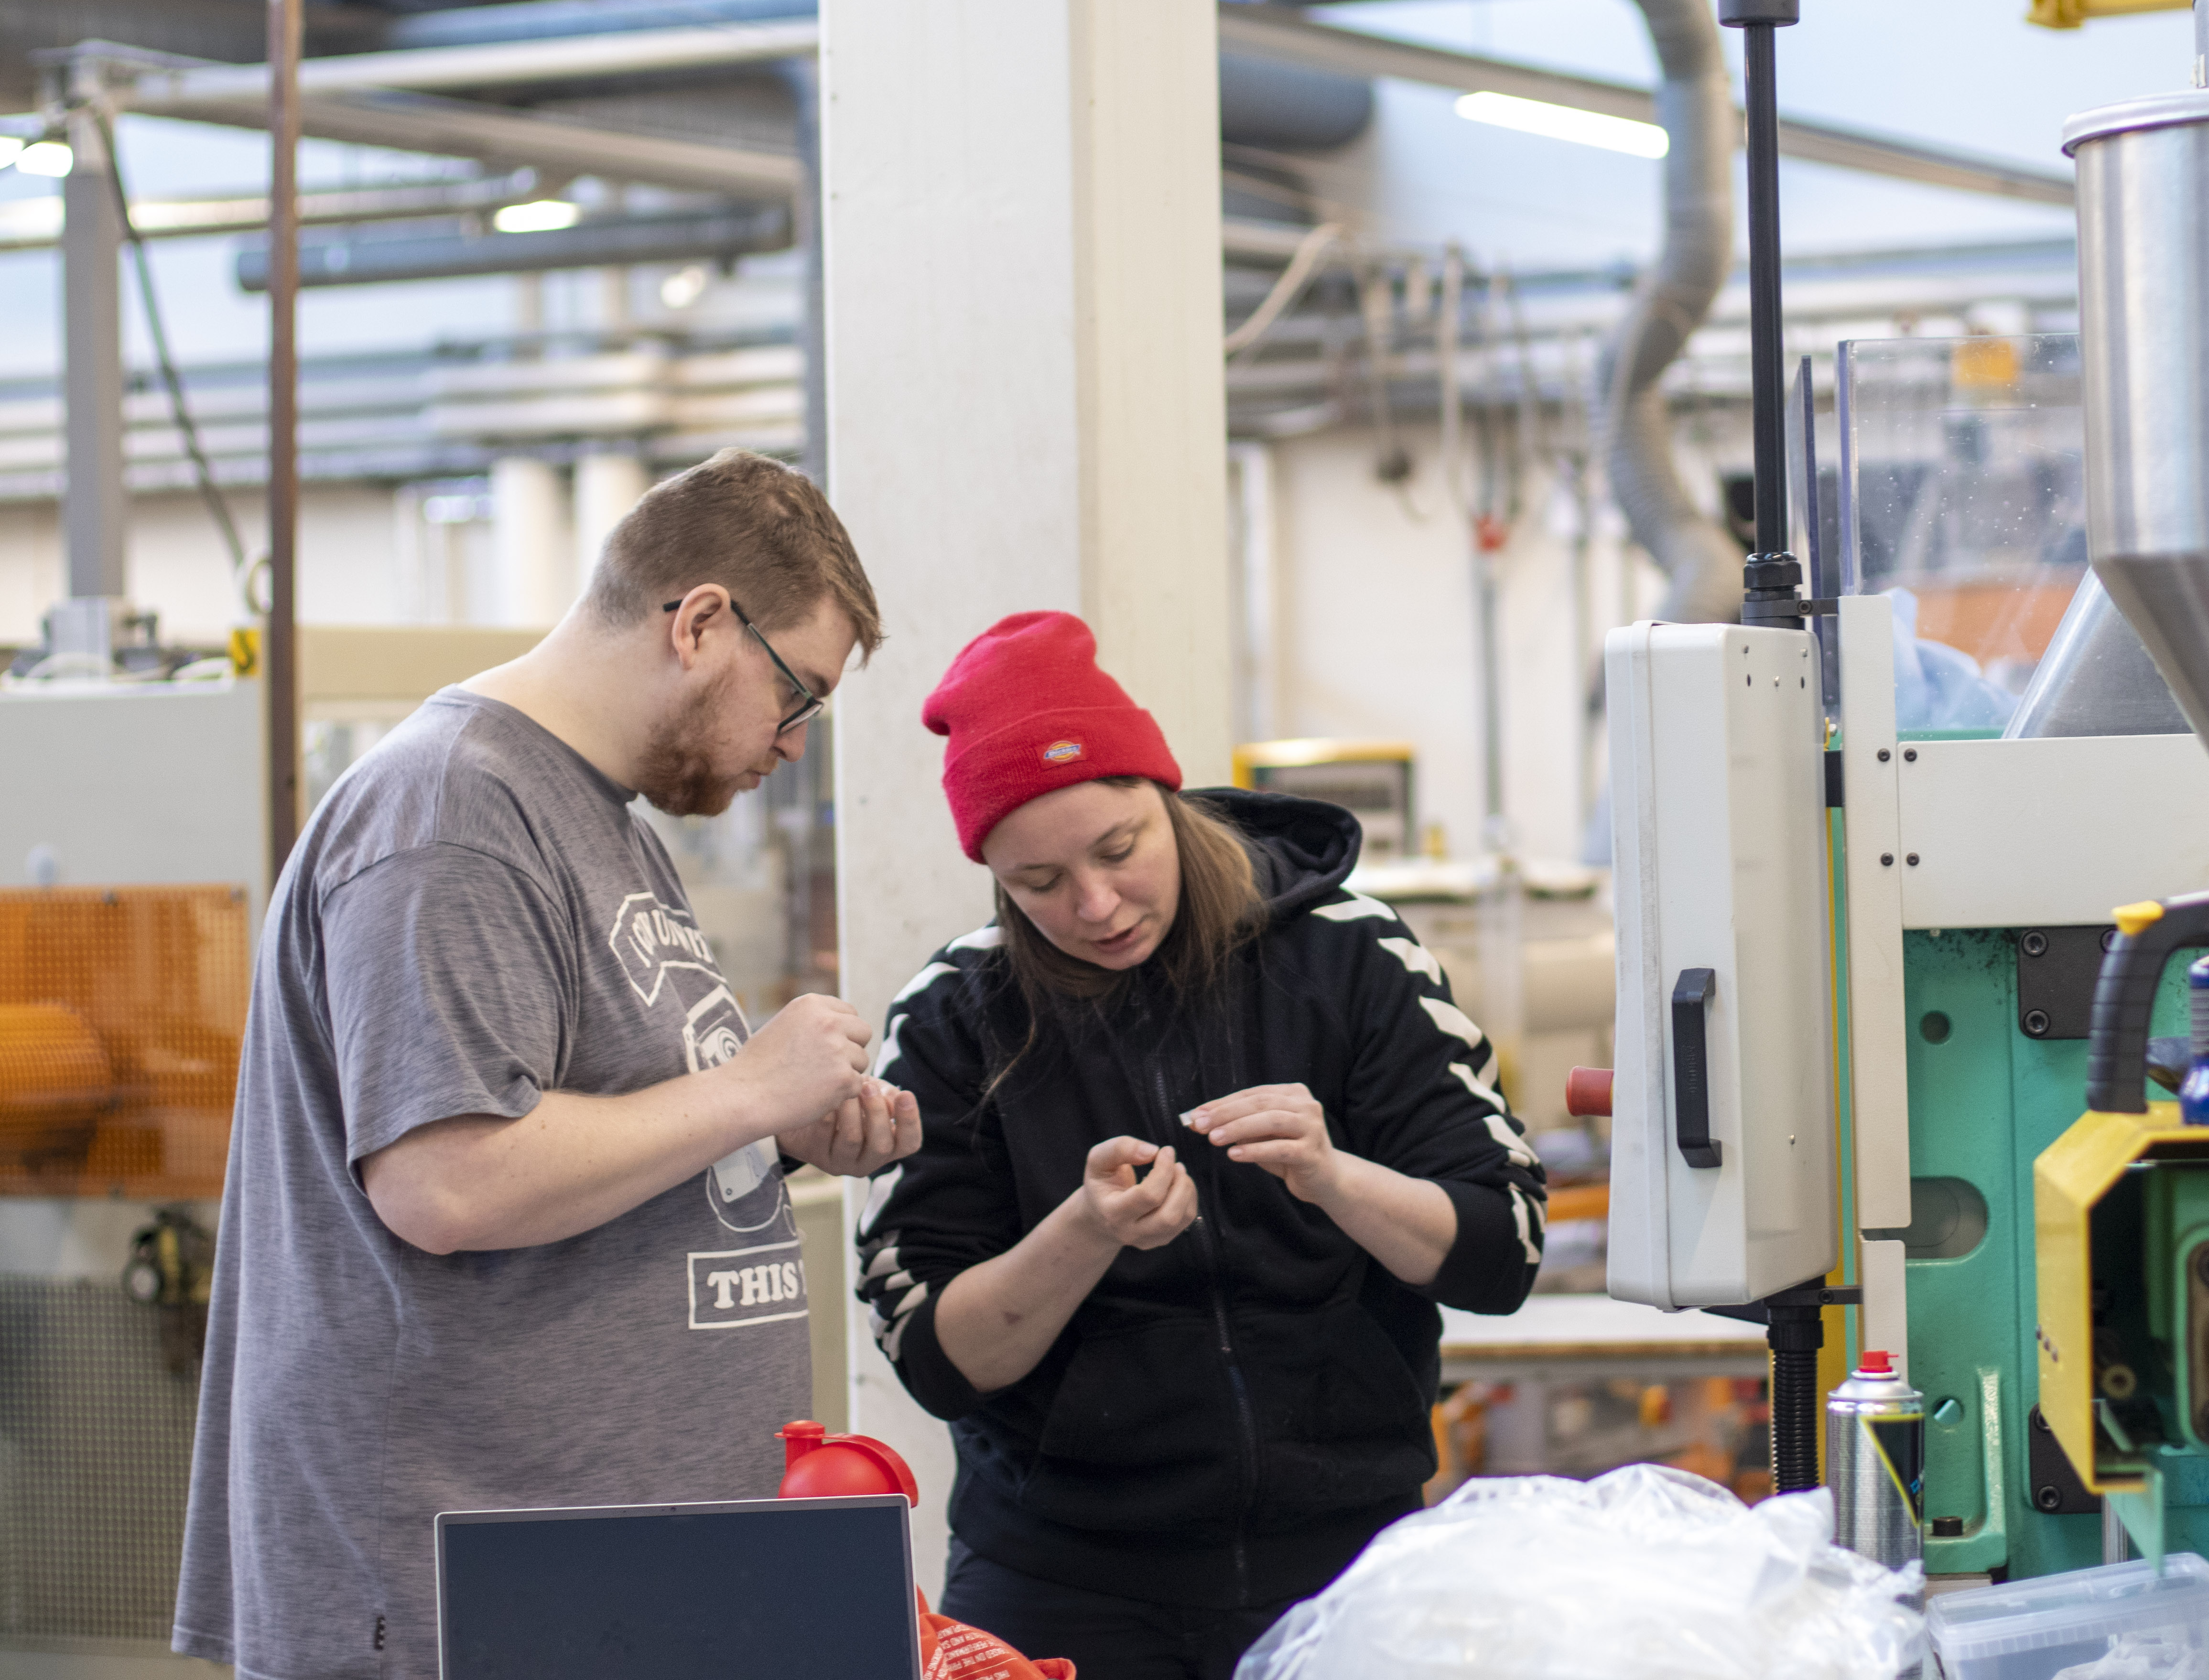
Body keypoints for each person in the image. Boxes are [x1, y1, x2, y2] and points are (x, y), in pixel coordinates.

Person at [175, 449, 921, 1680]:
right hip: (460, 1586)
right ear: (699, 623)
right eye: (797, 694)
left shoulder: (595, 816)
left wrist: (772, 1131)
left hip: (598, 1577)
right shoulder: (454, 815)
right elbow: (447, 1179)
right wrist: (745, 1087)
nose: (794, 744)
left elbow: (597, 1124)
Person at [857, 611, 1548, 1680]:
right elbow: (940, 1360)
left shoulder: (1352, 959)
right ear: (994, 874)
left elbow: (1501, 1254)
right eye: (1038, 883)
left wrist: (1335, 1178)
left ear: (1167, 797)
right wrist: (1082, 1233)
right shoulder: (954, 1019)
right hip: (1063, 1573)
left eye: (1119, 849)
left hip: (1344, 1555)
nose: (1096, 905)